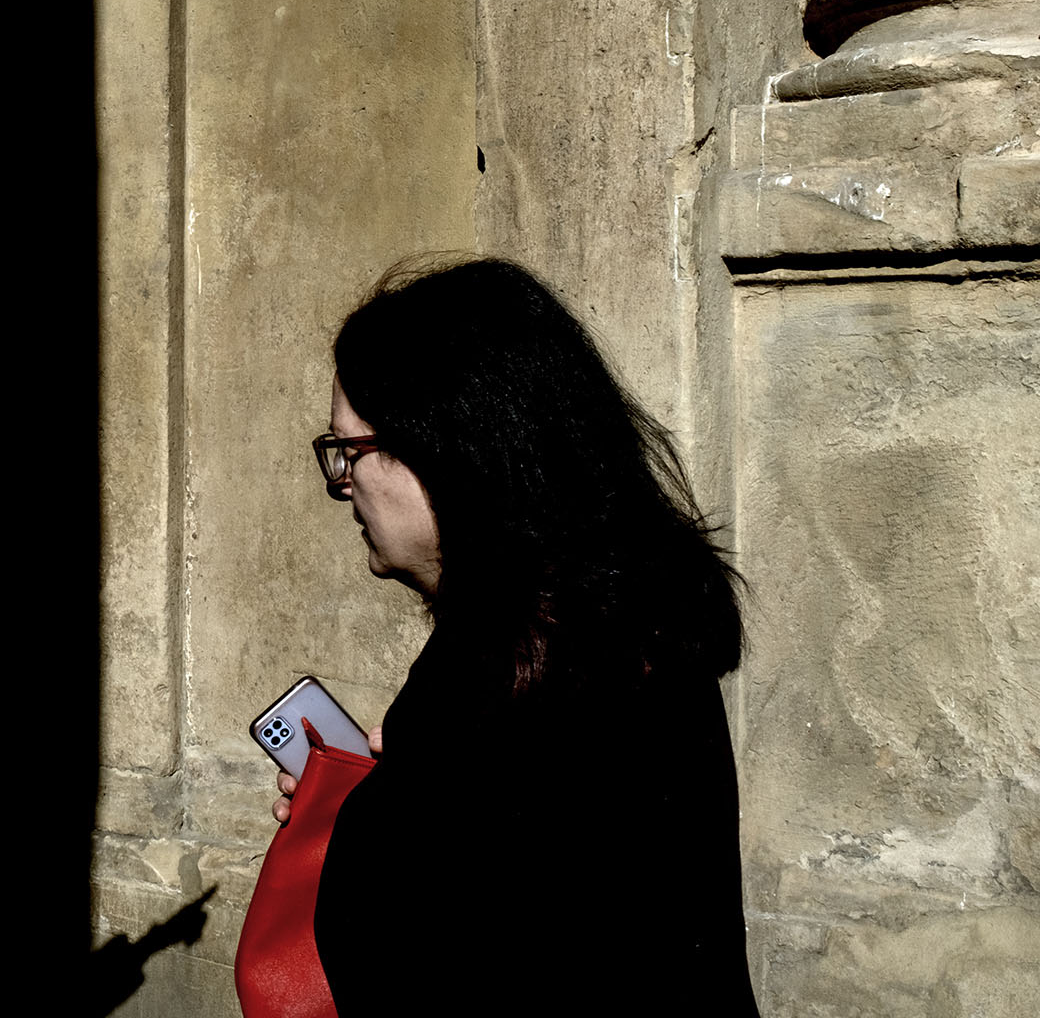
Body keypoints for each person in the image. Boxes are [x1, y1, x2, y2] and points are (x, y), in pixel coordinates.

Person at [280, 256, 757, 1015]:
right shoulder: (609, 633)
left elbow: (417, 956)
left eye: (352, 451)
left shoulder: (514, 693)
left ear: (445, 448)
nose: (342, 481)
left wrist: (363, 824)